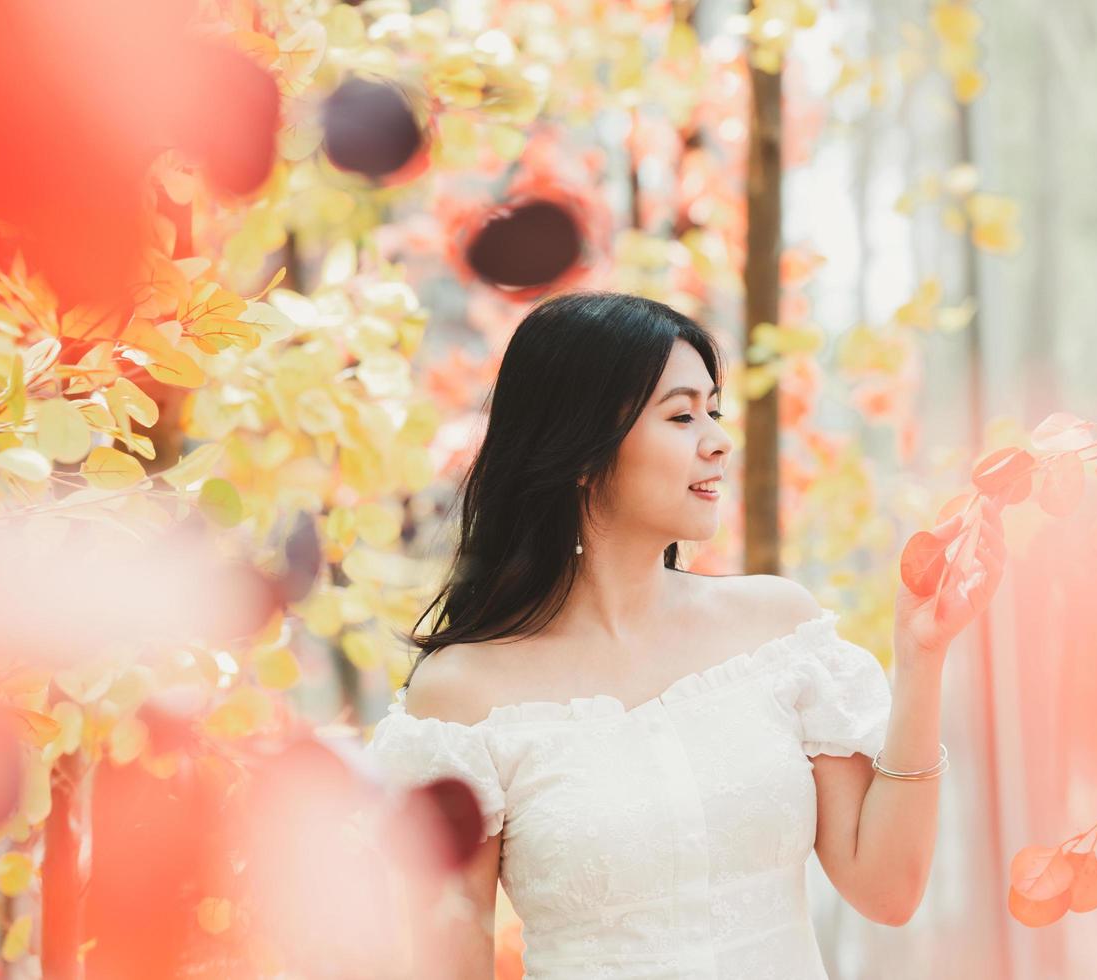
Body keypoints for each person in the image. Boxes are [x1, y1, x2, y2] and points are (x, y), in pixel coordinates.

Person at [367, 290, 1005, 978]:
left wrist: (921, 657)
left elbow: (886, 890)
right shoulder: (458, 700)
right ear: (581, 451)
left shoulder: (776, 629)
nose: (718, 440)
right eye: (680, 415)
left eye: (713, 410)